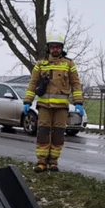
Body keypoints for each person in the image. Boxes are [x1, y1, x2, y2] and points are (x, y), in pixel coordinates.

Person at [22, 33, 84, 173]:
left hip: (61, 108)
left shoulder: (69, 64)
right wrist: (27, 101)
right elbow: (33, 84)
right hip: (44, 106)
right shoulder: (40, 64)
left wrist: (78, 102)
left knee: (58, 135)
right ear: (48, 48)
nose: (55, 49)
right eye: (52, 47)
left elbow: (75, 84)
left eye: (57, 47)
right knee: (43, 134)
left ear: (61, 48)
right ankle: (41, 162)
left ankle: (53, 162)